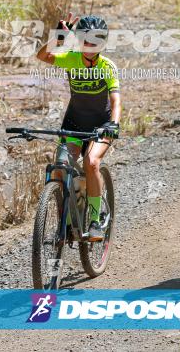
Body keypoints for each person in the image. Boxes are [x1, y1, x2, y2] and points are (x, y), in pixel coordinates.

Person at [36, 13, 121, 241]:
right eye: (85, 39)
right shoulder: (71, 58)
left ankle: (95, 219)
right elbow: (42, 55)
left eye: (95, 40)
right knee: (60, 168)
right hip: (74, 122)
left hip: (101, 125)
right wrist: (59, 38)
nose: (89, 45)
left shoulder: (107, 66)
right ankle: (66, 220)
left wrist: (114, 123)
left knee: (91, 162)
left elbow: (115, 101)